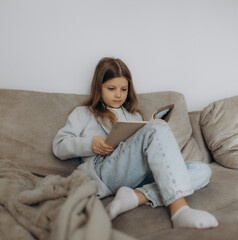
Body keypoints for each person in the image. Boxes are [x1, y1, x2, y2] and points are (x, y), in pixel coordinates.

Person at [52, 57, 219, 229]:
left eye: (123, 89)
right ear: (98, 87)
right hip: (103, 172)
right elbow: (59, 146)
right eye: (111, 89)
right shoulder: (83, 113)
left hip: (136, 176)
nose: (118, 94)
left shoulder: (134, 116)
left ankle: (135, 197)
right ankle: (179, 210)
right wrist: (90, 144)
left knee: (202, 170)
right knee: (155, 129)